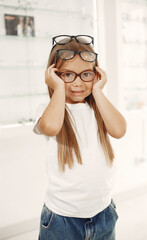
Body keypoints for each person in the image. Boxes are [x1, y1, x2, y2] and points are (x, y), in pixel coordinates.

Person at [33, 35, 127, 240]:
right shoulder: (49, 110)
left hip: (103, 212)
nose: (77, 83)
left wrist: (98, 91)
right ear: (54, 75)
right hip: (62, 219)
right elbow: (50, 127)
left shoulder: (99, 107)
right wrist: (58, 88)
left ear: (96, 74)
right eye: (67, 75)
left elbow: (119, 130)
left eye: (86, 74)